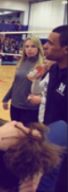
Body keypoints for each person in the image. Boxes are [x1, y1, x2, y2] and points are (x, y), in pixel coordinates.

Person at [42, 25, 67, 192]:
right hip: (50, 144)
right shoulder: (54, 69)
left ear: (65, 49)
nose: (45, 46)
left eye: (51, 43)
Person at [3, 36, 44, 125]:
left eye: (33, 46)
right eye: (27, 46)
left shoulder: (42, 66)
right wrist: (6, 98)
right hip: (15, 105)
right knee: (16, 134)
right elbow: (15, 83)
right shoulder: (21, 63)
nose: (29, 49)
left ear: (38, 48)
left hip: (30, 108)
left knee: (27, 136)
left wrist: (41, 99)